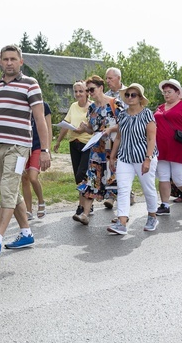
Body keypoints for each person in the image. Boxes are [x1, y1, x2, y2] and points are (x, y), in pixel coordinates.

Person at [0, 44, 51, 256]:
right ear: (0, 62)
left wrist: (45, 149)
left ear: (21, 61)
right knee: (11, 191)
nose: (9, 63)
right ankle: (26, 233)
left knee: (8, 190)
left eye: (13, 59)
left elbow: (40, 119)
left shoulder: (30, 85)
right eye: (5, 59)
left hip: (20, 147)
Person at [108, 84, 159, 234]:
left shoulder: (147, 114)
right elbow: (118, 137)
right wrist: (112, 156)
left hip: (143, 157)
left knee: (148, 188)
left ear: (140, 98)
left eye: (133, 95)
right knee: (123, 189)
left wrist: (148, 159)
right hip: (125, 157)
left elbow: (151, 138)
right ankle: (122, 223)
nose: (130, 97)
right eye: (128, 95)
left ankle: (152, 216)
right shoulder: (122, 114)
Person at [71, 75, 122, 225]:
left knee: (115, 182)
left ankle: (121, 215)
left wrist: (110, 129)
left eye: (91, 89)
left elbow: (124, 125)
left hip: (112, 151)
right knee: (92, 180)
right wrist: (84, 127)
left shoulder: (115, 104)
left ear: (101, 88)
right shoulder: (92, 107)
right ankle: (85, 215)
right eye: (87, 90)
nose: (89, 92)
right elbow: (92, 129)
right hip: (96, 151)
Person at [154, 79, 182, 216]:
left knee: (178, 178)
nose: (166, 95)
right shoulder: (160, 108)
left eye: (169, 92)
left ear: (178, 93)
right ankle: (165, 204)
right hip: (162, 148)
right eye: (164, 92)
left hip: (179, 147)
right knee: (163, 176)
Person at [54, 81, 92, 215]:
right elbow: (66, 124)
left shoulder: (92, 106)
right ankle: (87, 202)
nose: (78, 94)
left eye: (81, 91)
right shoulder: (73, 106)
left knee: (82, 174)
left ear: (87, 92)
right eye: (75, 91)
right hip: (73, 142)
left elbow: (94, 126)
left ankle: (82, 207)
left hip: (87, 144)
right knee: (78, 176)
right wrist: (58, 141)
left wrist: (84, 129)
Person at [22, 101, 51, 220]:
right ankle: (28, 210)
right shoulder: (22, 103)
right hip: (23, 145)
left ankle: (41, 201)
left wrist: (47, 150)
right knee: (24, 178)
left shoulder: (44, 105)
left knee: (33, 177)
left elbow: (48, 128)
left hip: (38, 146)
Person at [103, 67, 127, 208]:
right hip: (110, 138)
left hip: (126, 138)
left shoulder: (129, 94)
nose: (107, 81)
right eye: (106, 78)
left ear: (118, 78)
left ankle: (127, 193)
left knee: (124, 167)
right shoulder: (106, 96)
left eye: (110, 78)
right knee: (111, 164)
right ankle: (112, 197)